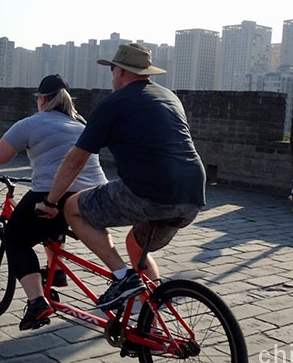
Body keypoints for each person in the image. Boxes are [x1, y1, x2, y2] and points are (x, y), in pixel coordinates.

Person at [35, 43, 206, 311]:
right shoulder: (170, 96)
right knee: (135, 245)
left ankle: (122, 278)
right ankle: (154, 315)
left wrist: (51, 201)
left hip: (148, 192)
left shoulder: (113, 103)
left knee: (73, 209)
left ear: (122, 71)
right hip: (193, 195)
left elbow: (76, 159)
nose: (111, 76)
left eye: (112, 70)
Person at [0, 74, 107, 330]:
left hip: (52, 192)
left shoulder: (31, 123)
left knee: (16, 238)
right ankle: (55, 271)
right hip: (95, 196)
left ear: (43, 100)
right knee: (51, 223)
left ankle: (37, 302)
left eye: (38, 98)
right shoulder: (80, 123)